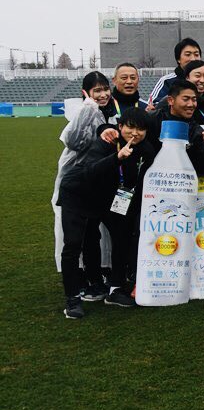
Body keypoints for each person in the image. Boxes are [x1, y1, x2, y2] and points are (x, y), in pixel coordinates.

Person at [57, 106, 155, 317]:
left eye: (141, 129)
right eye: (130, 128)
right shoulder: (106, 142)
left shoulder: (145, 149)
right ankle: (72, 300)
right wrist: (117, 157)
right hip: (78, 193)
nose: (135, 133)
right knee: (73, 244)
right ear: (120, 127)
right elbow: (89, 171)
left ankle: (115, 289)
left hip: (109, 199)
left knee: (122, 235)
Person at [52, 72, 120, 280]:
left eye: (105, 89)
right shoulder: (84, 110)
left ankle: (98, 273)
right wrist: (89, 107)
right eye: (97, 90)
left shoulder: (110, 111)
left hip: (98, 178)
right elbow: (73, 141)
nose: (103, 94)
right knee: (76, 232)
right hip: (78, 179)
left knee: (94, 231)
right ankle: (79, 276)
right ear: (86, 93)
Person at [148, 79, 204, 176]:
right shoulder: (152, 120)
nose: (191, 104)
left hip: (181, 185)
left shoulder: (196, 130)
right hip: (153, 183)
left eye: (194, 100)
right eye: (186, 99)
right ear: (171, 100)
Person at [148, 38, 202, 106]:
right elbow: (153, 106)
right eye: (188, 54)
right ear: (178, 59)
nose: (193, 59)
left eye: (196, 55)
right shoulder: (167, 81)